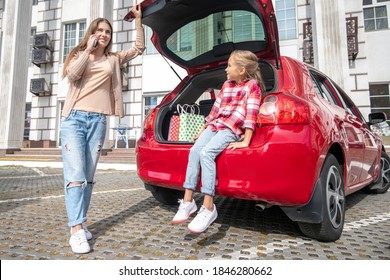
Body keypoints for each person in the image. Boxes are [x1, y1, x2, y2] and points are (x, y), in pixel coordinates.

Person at [60, 5, 145, 254]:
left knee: (87, 177)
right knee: (75, 176)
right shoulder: (78, 55)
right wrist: (87, 50)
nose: (104, 34)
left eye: (107, 31)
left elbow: (138, 49)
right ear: (91, 32)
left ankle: (81, 222)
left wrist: (138, 21)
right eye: (99, 30)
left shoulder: (113, 59)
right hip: (74, 120)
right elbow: (73, 76)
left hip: (98, 121)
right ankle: (76, 230)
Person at [172, 50, 265, 233]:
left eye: (230, 65)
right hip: (215, 125)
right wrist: (201, 130)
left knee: (207, 153)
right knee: (195, 151)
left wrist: (245, 140)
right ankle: (188, 201)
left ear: (242, 70)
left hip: (231, 128)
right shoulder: (226, 85)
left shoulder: (252, 87)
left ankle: (208, 207)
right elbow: (214, 111)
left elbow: (250, 115)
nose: (226, 69)